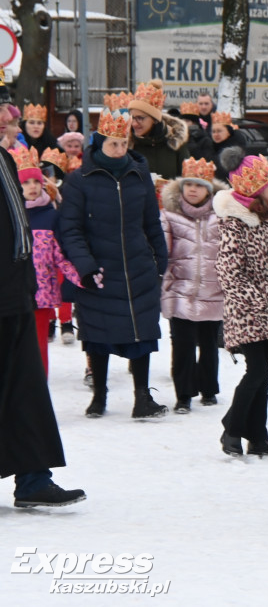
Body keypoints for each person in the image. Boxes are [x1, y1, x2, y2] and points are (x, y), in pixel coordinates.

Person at [0, 75, 86, 509]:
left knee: (26, 390)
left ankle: (33, 479)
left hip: (15, 294)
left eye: (7, 110)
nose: (8, 119)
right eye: (2, 111)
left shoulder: (3, 159)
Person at [59, 108, 169, 420]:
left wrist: (161, 260)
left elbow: (152, 221)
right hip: (100, 269)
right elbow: (71, 229)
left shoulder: (139, 176)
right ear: (99, 144)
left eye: (124, 143)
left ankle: (142, 397)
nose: (120, 150)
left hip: (137, 266)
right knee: (97, 333)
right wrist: (85, 266)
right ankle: (100, 395)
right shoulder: (79, 180)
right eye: (113, 145)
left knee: (143, 331)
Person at [214, 147, 268, 459]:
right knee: (256, 371)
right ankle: (232, 428)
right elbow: (228, 271)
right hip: (248, 311)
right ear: (257, 189)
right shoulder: (235, 223)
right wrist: (255, 302)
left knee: (264, 373)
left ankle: (257, 437)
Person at [160, 157, 226, 413]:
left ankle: (209, 388)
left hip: (212, 289)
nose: (193, 190)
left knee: (209, 343)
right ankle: (183, 394)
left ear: (209, 191)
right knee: (182, 343)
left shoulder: (220, 217)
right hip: (180, 290)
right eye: (188, 184)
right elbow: (162, 251)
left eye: (199, 186)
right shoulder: (169, 216)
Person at [15, 146, 80, 375]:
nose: (32, 187)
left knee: (39, 343)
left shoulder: (51, 216)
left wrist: (80, 277)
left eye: (35, 181)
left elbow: (62, 256)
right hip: (14, 293)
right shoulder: (13, 216)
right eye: (25, 183)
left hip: (41, 294)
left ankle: (39, 384)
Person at [127, 80, 190, 181]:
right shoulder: (127, 145)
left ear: (155, 119)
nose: (134, 123)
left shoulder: (175, 143)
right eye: (132, 117)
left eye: (140, 118)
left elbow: (186, 180)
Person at [210, 112, 245, 182]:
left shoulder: (236, 152)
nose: (216, 134)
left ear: (228, 132)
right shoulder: (209, 147)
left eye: (219, 131)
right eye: (213, 132)